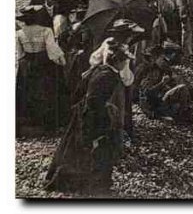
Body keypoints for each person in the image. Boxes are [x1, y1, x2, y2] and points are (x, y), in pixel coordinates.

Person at [45, 42, 133, 193]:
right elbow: (94, 103)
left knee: (78, 149)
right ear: (117, 61)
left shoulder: (101, 69)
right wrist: (97, 128)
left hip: (88, 113)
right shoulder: (107, 76)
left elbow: (81, 90)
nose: (125, 63)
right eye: (124, 60)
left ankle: (86, 182)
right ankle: (89, 185)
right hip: (94, 117)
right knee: (93, 150)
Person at [16, 5, 68, 132]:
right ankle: (47, 123)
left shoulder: (19, 33)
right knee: (45, 90)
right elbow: (52, 50)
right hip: (43, 63)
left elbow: (20, 53)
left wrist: (23, 64)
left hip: (26, 64)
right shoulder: (45, 31)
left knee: (28, 90)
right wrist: (61, 61)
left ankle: (31, 121)